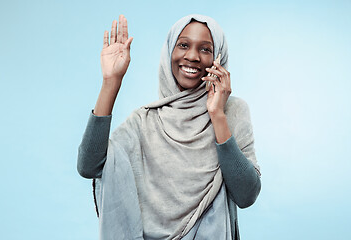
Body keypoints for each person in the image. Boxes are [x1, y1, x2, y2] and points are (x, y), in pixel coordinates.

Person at [77, 14, 261, 240]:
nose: (192, 56)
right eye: (183, 45)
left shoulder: (233, 112)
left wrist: (217, 115)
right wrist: (111, 82)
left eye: (205, 49)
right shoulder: (144, 121)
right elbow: (88, 166)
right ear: (169, 52)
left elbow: (247, 195)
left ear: (218, 59)